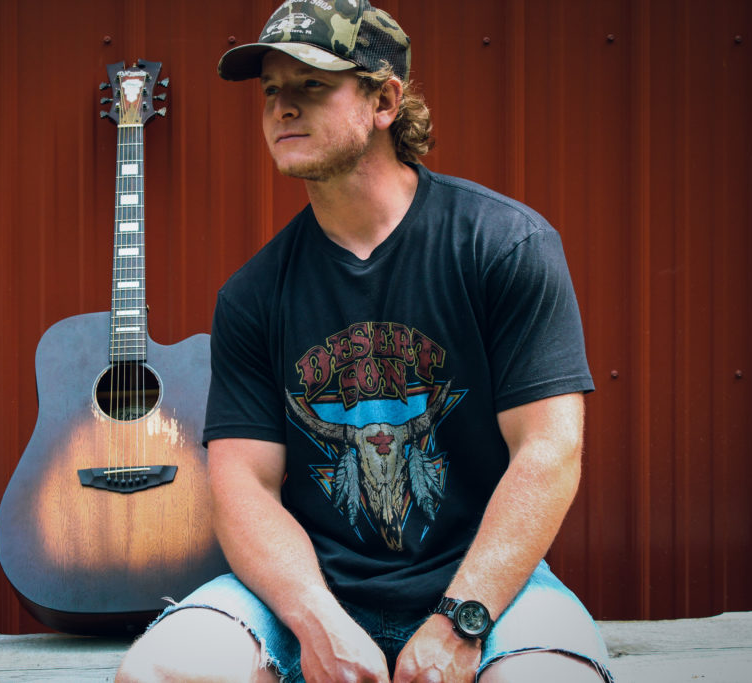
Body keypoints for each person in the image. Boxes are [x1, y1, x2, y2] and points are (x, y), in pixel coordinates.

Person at [116, 1, 614, 681]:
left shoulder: (503, 247)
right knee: (161, 671)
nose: (282, 108)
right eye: (271, 91)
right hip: (311, 590)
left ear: (385, 101)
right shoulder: (254, 295)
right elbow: (243, 485)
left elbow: (549, 450)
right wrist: (316, 620)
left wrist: (460, 619)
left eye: (311, 86)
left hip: (486, 585)